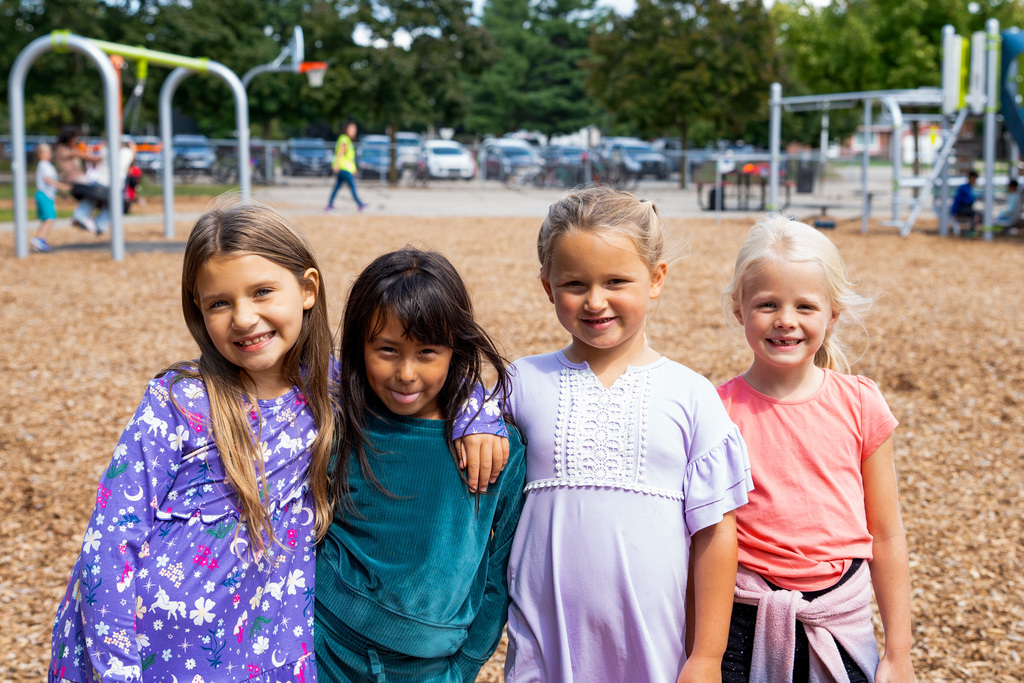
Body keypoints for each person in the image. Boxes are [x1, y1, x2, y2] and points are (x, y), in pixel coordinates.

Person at [48, 203, 508, 683]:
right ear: (198, 310)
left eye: (262, 291)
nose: (244, 318)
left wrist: (476, 411)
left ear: (307, 290)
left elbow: (419, 369)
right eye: (219, 303)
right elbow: (112, 538)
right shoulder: (179, 402)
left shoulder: (333, 390)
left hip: (265, 649)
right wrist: (114, 664)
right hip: (150, 652)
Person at [503, 186, 753, 683]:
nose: (596, 301)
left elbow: (716, 533)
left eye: (616, 280)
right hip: (544, 657)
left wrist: (706, 656)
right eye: (575, 283)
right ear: (548, 286)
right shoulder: (518, 384)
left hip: (654, 657)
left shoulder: (691, 394)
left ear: (656, 279)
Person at [717, 214, 917, 682]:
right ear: (738, 308)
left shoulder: (861, 403)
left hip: (840, 622)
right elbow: (701, 539)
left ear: (833, 314)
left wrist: (899, 651)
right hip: (740, 626)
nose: (785, 320)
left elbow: (886, 535)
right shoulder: (714, 410)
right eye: (767, 304)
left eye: (805, 306)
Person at [315, 247, 526, 682]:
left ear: (455, 349)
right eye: (387, 350)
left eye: (427, 351)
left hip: (432, 667)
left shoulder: (499, 447)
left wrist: (466, 665)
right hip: (326, 646)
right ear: (359, 345)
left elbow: (502, 564)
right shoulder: (339, 423)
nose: (406, 373)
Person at [53, 126, 102, 235]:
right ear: (68, 138)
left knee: (94, 196)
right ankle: (81, 217)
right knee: (99, 192)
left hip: (80, 177)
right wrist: (101, 158)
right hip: (74, 178)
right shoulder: (61, 149)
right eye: (74, 138)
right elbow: (82, 155)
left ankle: (83, 217)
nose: (76, 141)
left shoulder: (70, 148)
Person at [32, 143, 70, 253]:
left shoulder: (46, 165)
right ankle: (39, 239)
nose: (50, 154)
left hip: (46, 194)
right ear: (40, 154)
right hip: (44, 195)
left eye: (49, 152)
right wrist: (63, 187)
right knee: (49, 218)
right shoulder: (43, 165)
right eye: (47, 152)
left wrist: (60, 192)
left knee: (46, 219)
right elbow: (48, 180)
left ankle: (40, 239)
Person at [325, 121, 366, 213]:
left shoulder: (347, 140)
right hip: (344, 167)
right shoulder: (345, 139)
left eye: (355, 130)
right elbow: (340, 153)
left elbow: (349, 157)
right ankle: (360, 204)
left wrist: (354, 168)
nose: (353, 132)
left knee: (337, 187)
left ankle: (329, 205)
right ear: (346, 129)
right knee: (352, 186)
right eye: (352, 129)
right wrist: (336, 165)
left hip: (346, 167)